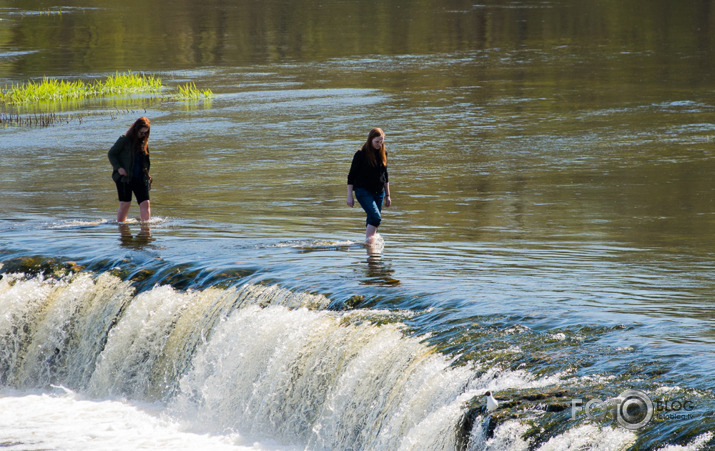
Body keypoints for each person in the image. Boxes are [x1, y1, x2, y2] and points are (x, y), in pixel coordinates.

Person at [347, 127, 391, 244]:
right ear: (370, 140)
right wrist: (349, 196)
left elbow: (385, 176)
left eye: (381, 141)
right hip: (363, 191)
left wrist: (388, 195)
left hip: (379, 192)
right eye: (377, 141)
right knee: (376, 218)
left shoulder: (383, 153)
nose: (379, 144)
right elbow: (351, 176)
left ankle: (371, 254)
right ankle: (369, 244)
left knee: (372, 219)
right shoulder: (360, 154)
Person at [108, 117, 152, 222]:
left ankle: (146, 230)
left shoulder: (143, 142)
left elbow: (146, 160)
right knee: (125, 204)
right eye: (141, 133)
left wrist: (147, 175)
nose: (143, 135)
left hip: (140, 177)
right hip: (124, 178)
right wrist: (118, 168)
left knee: (145, 203)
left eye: (146, 133)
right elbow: (111, 154)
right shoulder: (124, 139)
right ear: (136, 130)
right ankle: (121, 227)